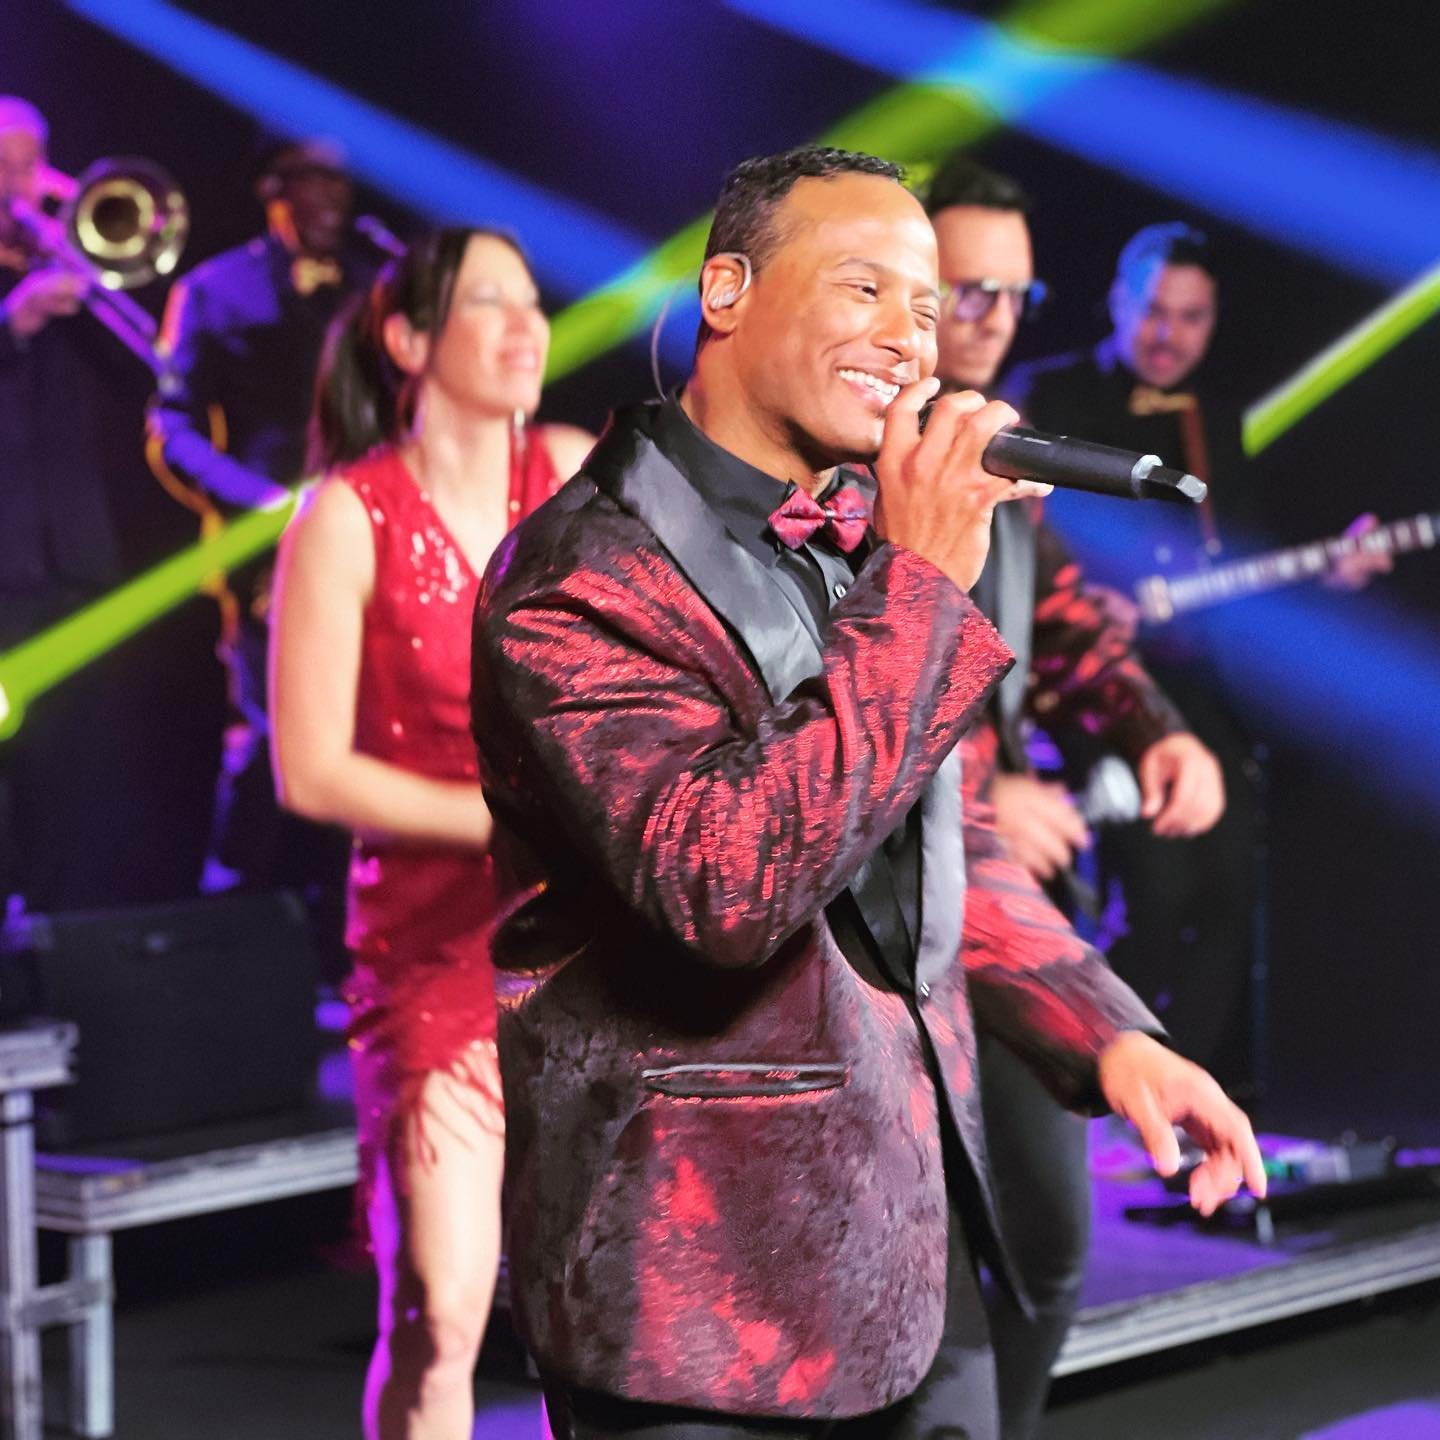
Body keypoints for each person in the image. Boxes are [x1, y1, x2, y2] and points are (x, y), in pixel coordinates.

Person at [470, 146, 1264, 1440]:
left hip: (906, 1252)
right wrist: (925, 592)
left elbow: (934, 841)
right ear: (726, 290)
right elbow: (724, 882)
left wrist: (1107, 1033)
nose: (914, 336)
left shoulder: (856, 533)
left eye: (925, 302)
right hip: (700, 1302)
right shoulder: (583, 577)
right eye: (865, 291)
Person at [268, 226, 593, 1440]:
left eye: (533, 298)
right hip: (431, 950)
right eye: (487, 303)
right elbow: (310, 770)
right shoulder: (346, 515)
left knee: (599, 1308)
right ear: (409, 339)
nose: (527, 326)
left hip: (581, 939)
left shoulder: (565, 468)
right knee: (443, 1311)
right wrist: (509, 824)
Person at [923, 155, 1226, 1440]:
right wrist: (975, 793)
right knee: (902, 1299)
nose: (989, 309)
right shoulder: (838, 471)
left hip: (987, 924)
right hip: (860, 946)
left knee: (1049, 1249)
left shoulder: (997, 455)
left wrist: (1159, 728)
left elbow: (1070, 632)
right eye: (964, 284)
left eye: (1012, 288)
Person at [1002, 222, 1387, 1090]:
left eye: (1191, 317)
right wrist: (1073, 603)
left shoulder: (1215, 419)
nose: (1168, 335)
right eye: (1154, 312)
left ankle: (1186, 1092)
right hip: (1081, 678)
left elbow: (1233, 569)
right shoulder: (1044, 393)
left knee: (1233, 879)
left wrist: (1329, 575)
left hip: (1189, 681)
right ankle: (1101, 1085)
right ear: (1118, 302)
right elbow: (1011, 548)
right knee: (1161, 880)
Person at [149, 136, 385, 966]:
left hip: (367, 542)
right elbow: (170, 427)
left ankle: (348, 944)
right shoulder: (213, 289)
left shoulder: (374, 286)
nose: (330, 209)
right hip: (267, 551)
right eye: (311, 191)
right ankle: (228, 939)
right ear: (274, 194)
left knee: (377, 736)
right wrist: (261, 507)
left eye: (340, 192)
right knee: (266, 739)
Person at [0, 95, 143, 911]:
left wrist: (92, 279)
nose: (22, 182)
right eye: (4, 164)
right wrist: (11, 323)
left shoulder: (70, 280)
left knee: (75, 781)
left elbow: (154, 375)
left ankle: (58, 951)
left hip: (77, 567)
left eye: (33, 161)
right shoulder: (22, 302)